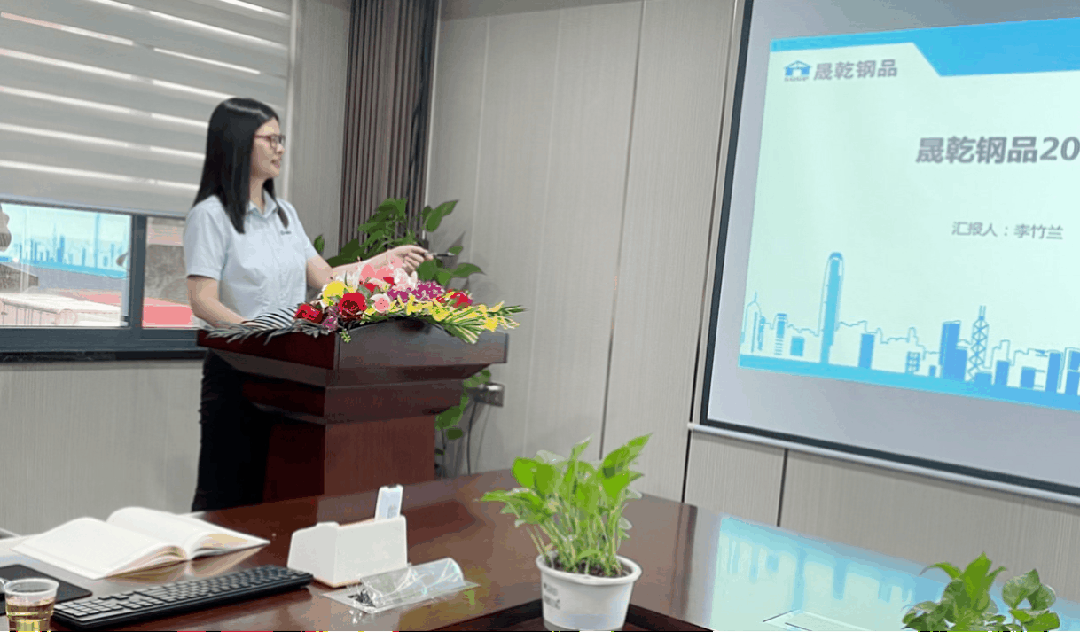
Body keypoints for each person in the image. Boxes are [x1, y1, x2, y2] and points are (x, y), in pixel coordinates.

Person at [183, 97, 430, 511]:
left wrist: (382, 261)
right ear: (238, 142)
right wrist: (257, 335)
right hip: (237, 371)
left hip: (288, 375)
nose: (280, 148)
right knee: (226, 496)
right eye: (270, 139)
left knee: (275, 496)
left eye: (281, 139)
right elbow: (202, 300)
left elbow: (326, 279)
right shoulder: (210, 216)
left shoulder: (284, 214)